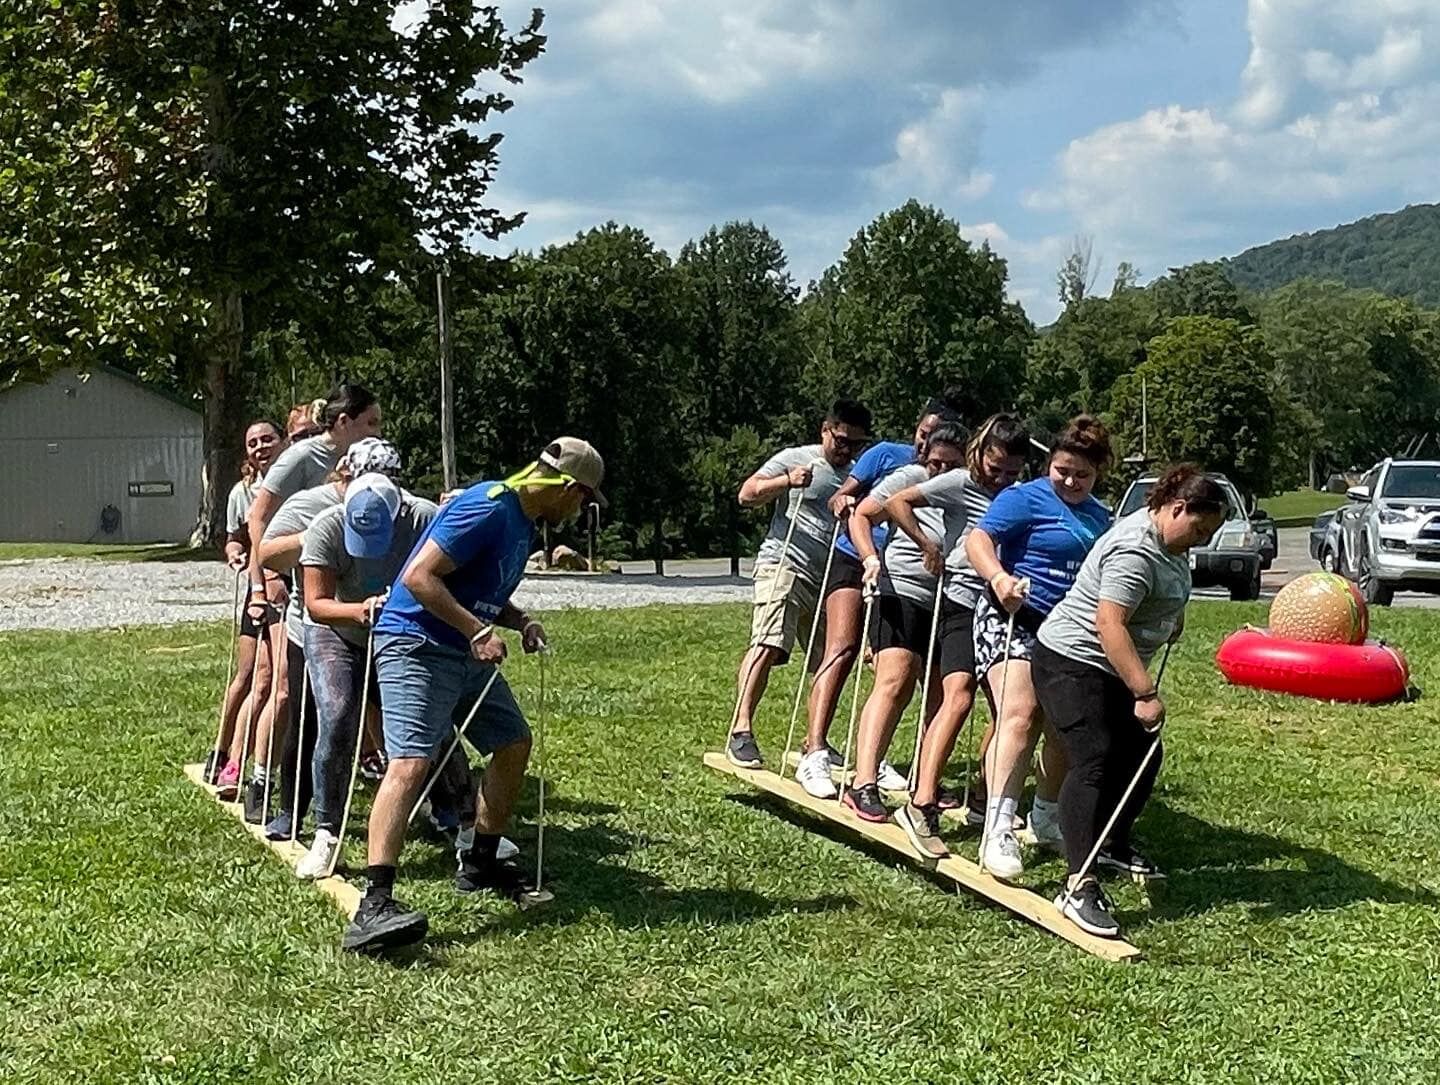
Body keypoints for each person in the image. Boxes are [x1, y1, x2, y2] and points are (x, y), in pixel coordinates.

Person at [342, 437, 605, 954]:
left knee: (512, 741)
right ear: (568, 489)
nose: (580, 512)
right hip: (415, 643)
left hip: (461, 646)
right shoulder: (486, 507)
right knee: (410, 765)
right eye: (583, 501)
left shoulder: (522, 524)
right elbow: (418, 578)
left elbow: (480, 590)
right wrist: (476, 633)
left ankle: (481, 860)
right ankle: (373, 905)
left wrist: (517, 620)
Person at [1035, 465, 1228, 937]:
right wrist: (1144, 692)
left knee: (1144, 751)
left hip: (1109, 665)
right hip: (1071, 661)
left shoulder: (1168, 539)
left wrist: (1170, 618)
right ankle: (1078, 887)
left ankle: (1113, 842)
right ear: (1177, 508)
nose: (1199, 541)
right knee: (1095, 759)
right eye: (1199, 529)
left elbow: (1162, 590)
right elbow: (1109, 624)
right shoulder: (1135, 549)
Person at [963, 415, 1114, 879]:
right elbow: (979, 539)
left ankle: (1047, 816)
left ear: (1099, 473)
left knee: (1063, 726)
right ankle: (998, 826)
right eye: (1061, 469)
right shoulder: (1022, 498)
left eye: (1081, 475)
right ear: (1049, 462)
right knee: (1021, 713)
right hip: (1011, 618)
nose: (1069, 481)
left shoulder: (1100, 517)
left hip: (1066, 632)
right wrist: (999, 577)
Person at [792, 398, 959, 795]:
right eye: (923, 435)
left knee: (907, 676)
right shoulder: (890, 457)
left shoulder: (955, 477)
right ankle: (814, 750)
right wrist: (852, 517)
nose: (925, 446)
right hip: (860, 560)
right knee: (843, 648)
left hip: (919, 581)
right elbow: (847, 500)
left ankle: (885, 762)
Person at [886, 415, 1031, 857]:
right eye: (996, 467)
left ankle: (985, 796)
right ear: (982, 451)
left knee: (1009, 706)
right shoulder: (957, 483)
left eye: (1012, 472)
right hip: (961, 602)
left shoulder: (1020, 495)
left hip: (1004, 608)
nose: (1002, 478)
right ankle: (921, 802)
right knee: (959, 696)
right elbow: (897, 503)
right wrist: (928, 546)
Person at [238, 384, 382, 821]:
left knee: (364, 696)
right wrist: (264, 584)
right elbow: (257, 518)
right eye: (371, 422)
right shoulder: (303, 458)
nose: (378, 430)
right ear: (344, 423)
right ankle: (263, 780)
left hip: (341, 589)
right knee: (282, 686)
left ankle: (386, 770)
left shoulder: (370, 467)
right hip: (287, 580)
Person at [254, 437, 404, 837]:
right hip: (315, 626)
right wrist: (311, 539)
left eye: (387, 480)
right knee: (308, 720)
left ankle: (439, 808)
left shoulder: (400, 507)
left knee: (403, 714)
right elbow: (265, 554)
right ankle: (291, 810)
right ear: (346, 475)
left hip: (383, 628)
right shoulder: (312, 504)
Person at [293, 473, 440, 878]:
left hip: (402, 630)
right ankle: (327, 833)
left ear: (399, 513)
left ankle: (456, 816)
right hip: (336, 629)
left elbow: (448, 577)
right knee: (339, 715)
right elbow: (316, 604)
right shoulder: (327, 527)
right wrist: (362, 609)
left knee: (429, 717)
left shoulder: (424, 519)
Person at [725, 399, 873, 771]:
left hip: (830, 580)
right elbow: (747, 494)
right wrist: (786, 481)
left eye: (856, 444)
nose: (846, 450)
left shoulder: (859, 475)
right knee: (769, 642)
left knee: (831, 659)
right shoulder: (798, 457)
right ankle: (741, 730)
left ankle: (815, 742)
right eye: (841, 440)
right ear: (826, 430)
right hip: (785, 561)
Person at [839, 420, 968, 818]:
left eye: (951, 465)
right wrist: (870, 558)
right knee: (895, 679)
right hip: (901, 589)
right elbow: (862, 516)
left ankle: (924, 778)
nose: (941, 473)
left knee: (940, 694)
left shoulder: (968, 486)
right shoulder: (910, 478)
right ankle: (863, 782)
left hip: (947, 602)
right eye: (935, 464)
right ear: (925, 458)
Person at [209, 419, 286, 788]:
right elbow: (234, 539)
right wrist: (235, 553)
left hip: (286, 589)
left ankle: (244, 761)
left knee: (271, 679)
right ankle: (223, 753)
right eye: (253, 442)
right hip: (259, 592)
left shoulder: (300, 481)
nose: (260, 447)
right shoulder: (243, 491)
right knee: (248, 676)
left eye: (267, 439)